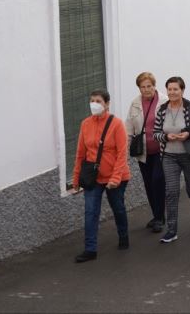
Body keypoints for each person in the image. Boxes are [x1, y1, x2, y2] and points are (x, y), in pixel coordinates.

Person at [72, 89, 130, 263]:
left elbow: (122, 153)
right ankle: (90, 249)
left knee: (118, 208)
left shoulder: (117, 124)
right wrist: (76, 177)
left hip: (115, 177)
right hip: (93, 177)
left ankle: (123, 236)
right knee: (91, 211)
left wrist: (115, 178)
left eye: (98, 101)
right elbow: (80, 153)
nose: (94, 104)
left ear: (107, 104)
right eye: (92, 100)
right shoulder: (85, 124)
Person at [153, 77, 190, 243]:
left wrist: (189, 134)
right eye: (169, 89)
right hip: (169, 156)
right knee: (171, 191)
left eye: (175, 89)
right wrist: (165, 136)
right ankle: (171, 230)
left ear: (182, 91)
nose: (172, 92)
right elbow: (155, 132)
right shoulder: (162, 109)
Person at [125, 72, 168, 233]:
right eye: (143, 87)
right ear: (139, 88)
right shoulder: (135, 103)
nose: (146, 90)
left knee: (158, 180)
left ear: (154, 86)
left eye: (149, 86)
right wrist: (124, 151)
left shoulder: (164, 101)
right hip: (143, 152)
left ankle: (159, 218)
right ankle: (157, 215)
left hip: (162, 150)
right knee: (149, 183)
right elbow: (129, 127)